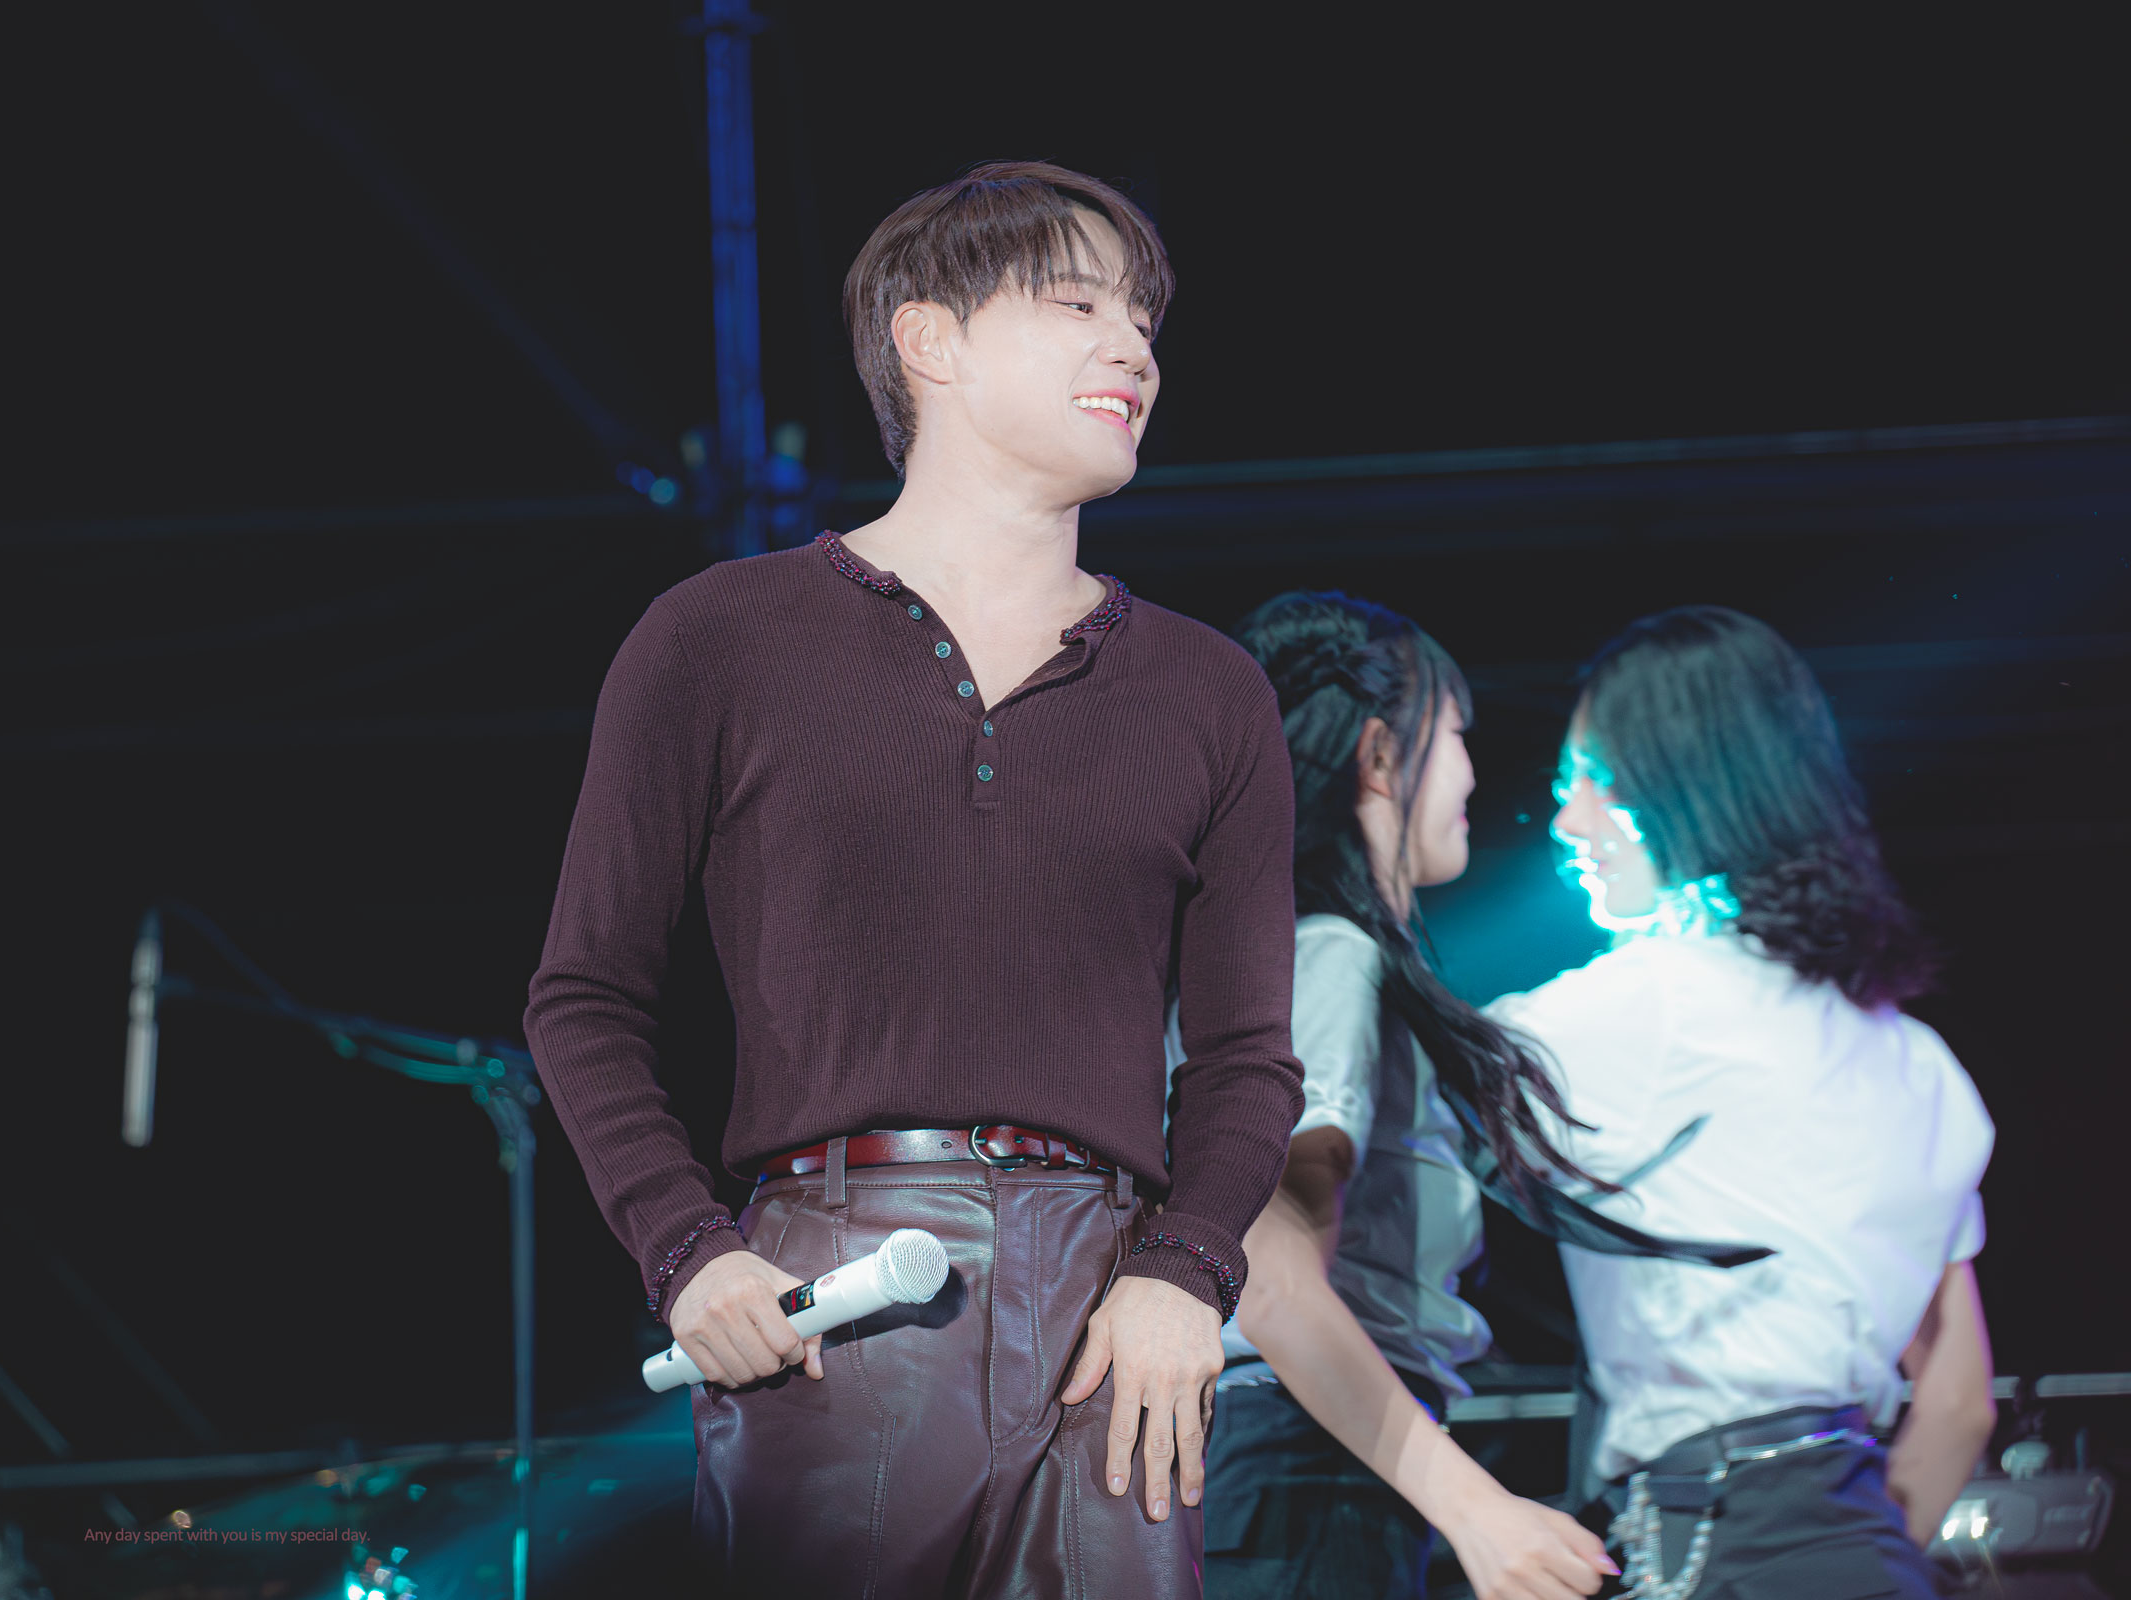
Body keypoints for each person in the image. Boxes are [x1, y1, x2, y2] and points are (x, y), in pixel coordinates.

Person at [523, 161, 1305, 1597]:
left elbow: (1250, 1055)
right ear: (929, 341)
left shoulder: (1211, 691)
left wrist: (1188, 1271)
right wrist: (688, 1250)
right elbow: (583, 996)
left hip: (1116, 1305)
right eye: (1078, 304)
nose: (1133, 348)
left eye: (1143, 320)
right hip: (838, 1292)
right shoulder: (718, 637)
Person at [1490, 606, 1995, 1598]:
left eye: (1596, 778)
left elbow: (1377, 1121)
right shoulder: (1923, 1063)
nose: (1568, 821)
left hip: (1719, 1530)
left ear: (1695, 781)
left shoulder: (1637, 1008)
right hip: (1859, 1540)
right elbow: (1960, 1403)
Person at [1169, 591, 1616, 1600]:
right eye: (1456, 732)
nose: (1472, 773)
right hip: (1301, 1468)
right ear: (1379, 754)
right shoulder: (1329, 956)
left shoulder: (1291, 959)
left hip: (1309, 1467)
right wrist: (1479, 1510)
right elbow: (1273, 1279)